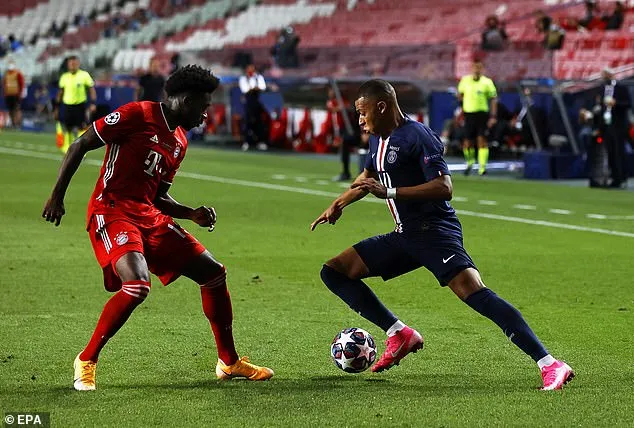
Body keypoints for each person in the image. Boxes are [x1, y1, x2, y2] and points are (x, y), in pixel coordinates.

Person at [310, 79, 574, 391]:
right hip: (405, 235)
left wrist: (390, 192)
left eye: (362, 112)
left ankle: (550, 364)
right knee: (335, 272)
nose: (360, 120)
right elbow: (367, 177)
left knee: (476, 294)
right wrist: (338, 204)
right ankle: (399, 333)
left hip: (435, 233)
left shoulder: (418, 136)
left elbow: (444, 187)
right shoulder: (377, 139)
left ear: (381, 107)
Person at [42, 65, 274, 391]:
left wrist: (190, 213)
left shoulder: (179, 141)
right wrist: (57, 196)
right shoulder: (137, 114)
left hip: (148, 215)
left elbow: (158, 196)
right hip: (112, 210)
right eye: (203, 107)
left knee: (213, 273)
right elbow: (79, 144)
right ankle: (86, 359)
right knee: (137, 285)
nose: (206, 115)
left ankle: (229, 362)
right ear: (185, 100)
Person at [588, 68, 632, 188]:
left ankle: (622, 177)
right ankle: (614, 177)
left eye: (606, 75)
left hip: (619, 124)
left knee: (619, 151)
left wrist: (615, 103)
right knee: (610, 151)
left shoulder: (621, 88)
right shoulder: (602, 89)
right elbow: (600, 108)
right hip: (606, 124)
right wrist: (599, 125)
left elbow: (628, 104)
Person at [457, 60, 497, 175]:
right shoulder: (465, 81)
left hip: (482, 115)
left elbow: (493, 99)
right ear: (472, 68)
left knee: (482, 140)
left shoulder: (487, 82)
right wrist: (461, 110)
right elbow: (460, 95)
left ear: (482, 69)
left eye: (479, 67)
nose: (477, 70)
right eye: (475, 67)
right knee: (467, 141)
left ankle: (482, 168)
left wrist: (493, 116)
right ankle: (470, 162)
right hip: (468, 114)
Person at [54, 56, 97, 153]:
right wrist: (56, 107)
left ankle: (81, 150)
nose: (73, 65)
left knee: (82, 128)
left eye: (74, 63)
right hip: (67, 106)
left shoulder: (84, 75)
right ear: (68, 65)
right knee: (68, 128)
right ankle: (68, 149)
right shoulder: (64, 77)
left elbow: (91, 89)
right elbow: (60, 93)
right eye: (71, 63)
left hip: (80, 106)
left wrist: (93, 103)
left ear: (78, 64)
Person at [239, 63, 268, 151]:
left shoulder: (258, 77)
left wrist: (253, 89)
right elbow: (245, 89)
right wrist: (254, 88)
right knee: (247, 122)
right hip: (248, 102)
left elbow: (263, 87)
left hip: (257, 101)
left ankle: (261, 142)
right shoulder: (243, 78)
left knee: (259, 122)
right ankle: (246, 142)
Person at [2, 60, 25, 129]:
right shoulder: (6, 74)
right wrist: (5, 93)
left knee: (16, 109)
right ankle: (13, 123)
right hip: (9, 95)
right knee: (10, 110)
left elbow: (22, 84)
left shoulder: (17, 73)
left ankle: (18, 123)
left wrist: (20, 93)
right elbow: (4, 84)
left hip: (16, 94)